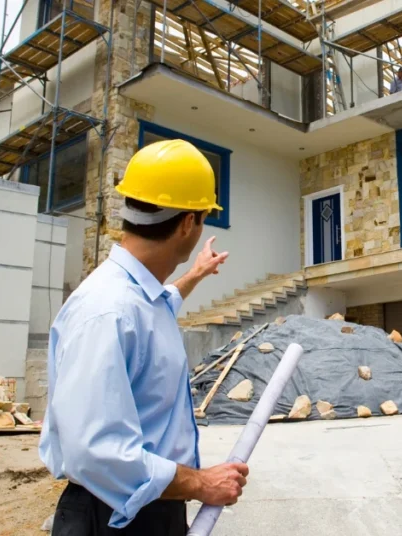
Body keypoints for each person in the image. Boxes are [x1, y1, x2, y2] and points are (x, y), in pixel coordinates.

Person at [39, 139, 249, 535]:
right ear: (189, 223)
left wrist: (196, 274)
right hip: (115, 517)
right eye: (203, 217)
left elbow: (159, 306)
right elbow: (97, 451)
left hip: (144, 506)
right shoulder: (108, 310)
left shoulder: (135, 299)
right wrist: (203, 483)